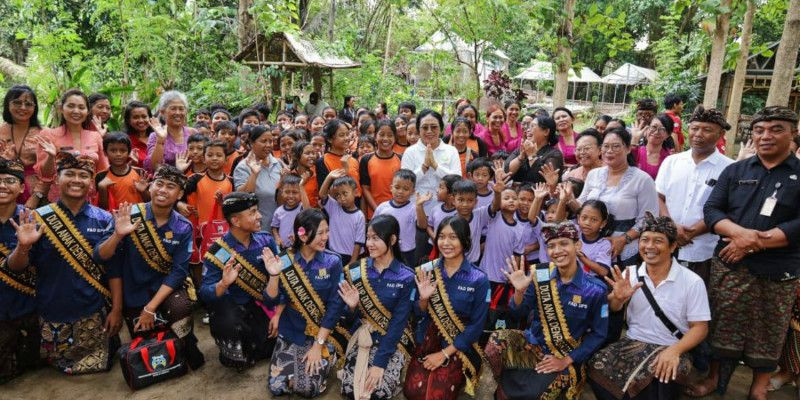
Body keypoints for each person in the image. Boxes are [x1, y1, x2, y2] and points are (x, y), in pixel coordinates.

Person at [689, 107, 800, 400]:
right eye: (759, 130)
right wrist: (740, 236)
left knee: (769, 329)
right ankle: (714, 378)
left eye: (776, 129)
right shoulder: (736, 170)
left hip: (779, 270)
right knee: (722, 322)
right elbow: (712, 210)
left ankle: (759, 387)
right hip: (730, 264)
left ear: (793, 132)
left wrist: (754, 243)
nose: (765, 136)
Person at [8, 153, 122, 374]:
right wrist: (22, 247)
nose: (76, 180)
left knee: (101, 364)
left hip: (91, 309)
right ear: (57, 180)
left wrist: (116, 309)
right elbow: (17, 268)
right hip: (51, 310)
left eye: (83, 175)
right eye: (69, 174)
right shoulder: (36, 218)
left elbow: (114, 269)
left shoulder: (104, 219)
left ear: (91, 184)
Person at [590, 213, 710, 400]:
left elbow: (700, 328)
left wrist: (675, 351)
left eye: (658, 241)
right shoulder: (629, 273)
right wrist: (617, 299)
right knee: (598, 365)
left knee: (661, 377)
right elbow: (613, 309)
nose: (650, 246)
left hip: (672, 345)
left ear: (672, 246)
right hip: (632, 341)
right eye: (644, 240)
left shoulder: (691, 281)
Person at [486, 221, 609, 399]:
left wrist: (566, 360)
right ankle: (500, 385)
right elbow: (517, 312)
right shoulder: (540, 274)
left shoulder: (595, 290)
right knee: (496, 341)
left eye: (564, 243)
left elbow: (599, 334)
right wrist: (519, 292)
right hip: (532, 344)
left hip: (565, 353)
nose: (557, 251)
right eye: (551, 246)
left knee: (539, 393)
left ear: (577, 245)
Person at [101, 165, 205, 369]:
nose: (163, 190)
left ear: (180, 194)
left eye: (171, 186)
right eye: (159, 184)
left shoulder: (183, 226)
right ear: (150, 186)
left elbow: (178, 272)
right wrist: (118, 235)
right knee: (145, 339)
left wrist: (150, 308)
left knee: (180, 308)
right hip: (133, 292)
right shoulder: (128, 214)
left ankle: (187, 347)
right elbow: (103, 256)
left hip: (165, 290)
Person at [263, 208, 349, 397]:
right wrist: (274, 276)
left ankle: (328, 354)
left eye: (327, 231)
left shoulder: (333, 262)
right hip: (291, 327)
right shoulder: (284, 260)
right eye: (320, 233)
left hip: (321, 331)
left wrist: (318, 344)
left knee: (307, 388)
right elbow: (271, 299)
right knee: (278, 387)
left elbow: (335, 306)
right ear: (302, 235)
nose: (325, 237)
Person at [403, 216, 490, 400]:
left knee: (438, 395)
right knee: (412, 391)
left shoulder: (478, 279)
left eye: (453, 237)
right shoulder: (426, 270)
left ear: (465, 240)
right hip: (427, 338)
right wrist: (424, 300)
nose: (446, 242)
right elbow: (417, 313)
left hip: (459, 343)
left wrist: (443, 354)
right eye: (441, 237)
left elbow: (476, 326)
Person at [336, 215, 416, 400]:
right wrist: (352, 307)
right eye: (368, 237)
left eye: (375, 238)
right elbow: (348, 319)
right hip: (363, 336)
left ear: (392, 240)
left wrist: (379, 363)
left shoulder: (406, 277)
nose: (369, 243)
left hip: (393, 341)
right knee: (351, 391)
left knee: (376, 393)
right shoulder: (355, 271)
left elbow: (398, 323)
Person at [199, 192, 279, 369]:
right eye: (252, 212)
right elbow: (204, 292)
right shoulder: (218, 251)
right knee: (231, 330)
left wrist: (279, 313)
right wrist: (223, 284)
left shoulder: (266, 240)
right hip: (235, 310)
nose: (259, 216)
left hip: (264, 306)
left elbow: (282, 283)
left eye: (257, 211)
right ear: (235, 221)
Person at [655, 105, 733, 285]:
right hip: (667, 245)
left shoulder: (730, 168)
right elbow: (658, 196)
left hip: (704, 250)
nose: (698, 134)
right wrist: (672, 226)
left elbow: (726, 208)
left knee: (697, 299)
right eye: (694, 128)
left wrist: (692, 232)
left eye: (707, 130)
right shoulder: (672, 162)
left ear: (720, 135)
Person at [401, 109, 462, 263]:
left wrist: (435, 166)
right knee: (419, 262)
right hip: (417, 217)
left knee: (446, 262)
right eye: (424, 127)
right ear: (418, 129)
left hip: (446, 217)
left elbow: (457, 182)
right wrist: (423, 168)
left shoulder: (451, 151)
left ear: (441, 128)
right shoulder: (410, 152)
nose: (429, 131)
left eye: (434, 127)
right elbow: (404, 183)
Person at [0, 159, 39, 383]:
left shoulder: (33, 219)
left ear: (22, 188)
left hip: (29, 308)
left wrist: (23, 246)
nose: (2, 186)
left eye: (9, 181)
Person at [35, 89, 108, 201]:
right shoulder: (48, 134)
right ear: (61, 109)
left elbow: (103, 170)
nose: (76, 111)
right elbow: (44, 175)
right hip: (58, 200)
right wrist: (50, 157)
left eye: (81, 107)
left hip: (89, 199)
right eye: (71, 106)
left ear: (88, 111)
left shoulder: (95, 136)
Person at [234, 125, 283, 231]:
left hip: (279, 229)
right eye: (264, 141)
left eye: (271, 141)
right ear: (252, 143)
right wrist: (254, 174)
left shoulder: (278, 164)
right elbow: (243, 198)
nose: (268, 145)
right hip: (256, 230)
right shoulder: (243, 167)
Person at [373, 169, 426, 267]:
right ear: (391, 188)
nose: (400, 192)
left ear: (412, 191)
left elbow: (423, 226)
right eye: (397, 187)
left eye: (405, 189)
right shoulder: (382, 208)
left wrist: (419, 206)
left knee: (406, 276)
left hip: (407, 252)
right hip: (385, 250)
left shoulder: (414, 208)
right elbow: (373, 229)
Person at [181, 140, 234, 228]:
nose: (214, 158)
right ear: (204, 159)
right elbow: (178, 194)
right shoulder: (195, 179)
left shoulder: (231, 182)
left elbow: (234, 209)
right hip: (199, 231)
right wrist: (179, 204)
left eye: (219, 155)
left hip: (223, 231)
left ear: (226, 160)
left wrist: (223, 203)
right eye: (210, 155)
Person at [319, 173, 365, 265]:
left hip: (353, 256)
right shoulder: (334, 207)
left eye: (345, 193)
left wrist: (353, 261)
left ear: (355, 192)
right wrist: (329, 177)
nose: (341, 198)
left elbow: (359, 242)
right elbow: (322, 194)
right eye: (338, 195)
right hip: (334, 254)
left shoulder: (359, 216)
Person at [95, 132, 150, 210]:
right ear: (105, 152)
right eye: (113, 150)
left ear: (129, 152)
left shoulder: (140, 173)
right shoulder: (101, 176)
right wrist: (102, 188)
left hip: (139, 218)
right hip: (114, 219)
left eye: (122, 150)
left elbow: (150, 202)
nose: (118, 154)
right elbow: (102, 209)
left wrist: (143, 191)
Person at [360, 120, 402, 218]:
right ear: (375, 136)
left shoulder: (401, 159)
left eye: (390, 135)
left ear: (395, 137)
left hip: (397, 214)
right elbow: (365, 189)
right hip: (374, 214)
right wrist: (378, 210)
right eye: (382, 134)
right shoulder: (366, 159)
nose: (385, 138)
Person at [506, 115, 564, 185]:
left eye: (532, 126)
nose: (527, 130)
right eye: (528, 127)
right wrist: (520, 157)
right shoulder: (521, 150)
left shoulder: (554, 154)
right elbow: (506, 172)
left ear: (546, 131)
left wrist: (531, 157)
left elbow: (542, 180)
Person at [145, 91, 195, 172]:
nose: (178, 113)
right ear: (162, 112)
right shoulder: (155, 136)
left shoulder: (193, 133)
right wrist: (160, 141)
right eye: (173, 108)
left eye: (181, 109)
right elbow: (154, 167)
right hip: (165, 182)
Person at [316, 119, 362, 198]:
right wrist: (344, 172)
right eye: (341, 135)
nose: (346, 138)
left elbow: (360, 191)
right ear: (330, 139)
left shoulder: (353, 160)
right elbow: (324, 195)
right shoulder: (323, 161)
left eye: (347, 134)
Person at [271, 174, 309, 250]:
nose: (291, 196)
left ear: (300, 193)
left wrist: (301, 186)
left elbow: (307, 209)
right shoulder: (279, 211)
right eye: (287, 192)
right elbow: (274, 227)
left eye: (295, 192)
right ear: (282, 192)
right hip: (283, 248)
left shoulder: (301, 208)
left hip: (299, 248)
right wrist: (277, 238)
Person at [632, 113, 674, 180]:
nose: (656, 132)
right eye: (654, 127)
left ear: (668, 135)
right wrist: (634, 139)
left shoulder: (669, 159)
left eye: (662, 129)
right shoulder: (635, 150)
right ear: (647, 129)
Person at [122, 101, 153, 168]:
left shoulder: (158, 138)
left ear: (150, 118)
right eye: (136, 117)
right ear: (128, 120)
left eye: (144, 116)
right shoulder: (124, 141)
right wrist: (131, 164)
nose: (141, 120)